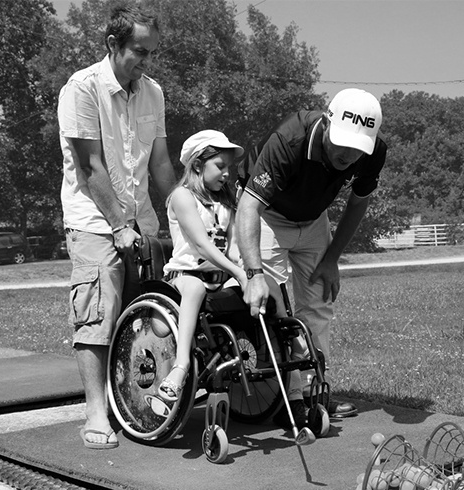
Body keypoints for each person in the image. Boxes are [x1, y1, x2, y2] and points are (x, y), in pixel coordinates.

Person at [57, 5, 177, 449]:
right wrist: (119, 225)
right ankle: (95, 414)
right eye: (138, 52)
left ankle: (133, 402)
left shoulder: (153, 93)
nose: (146, 62)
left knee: (144, 316)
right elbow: (91, 169)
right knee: (100, 314)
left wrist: (188, 213)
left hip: (141, 221)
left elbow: (161, 163)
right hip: (94, 220)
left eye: (151, 53)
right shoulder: (81, 89)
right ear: (113, 44)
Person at [235, 88, 387, 427]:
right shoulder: (289, 140)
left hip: (314, 218)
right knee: (273, 308)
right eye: (342, 143)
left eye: (357, 148)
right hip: (265, 213)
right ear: (327, 122)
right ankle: (286, 400)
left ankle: (314, 392)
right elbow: (249, 205)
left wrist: (332, 258)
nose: (348, 155)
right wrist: (254, 272)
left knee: (318, 303)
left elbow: (358, 203)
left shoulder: (373, 151)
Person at [157, 130, 249, 400]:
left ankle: (282, 359)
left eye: (228, 168)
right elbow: (201, 246)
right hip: (183, 277)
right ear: (197, 164)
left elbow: (232, 248)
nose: (226, 174)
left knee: (265, 284)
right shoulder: (182, 197)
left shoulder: (225, 202)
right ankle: (181, 366)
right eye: (220, 166)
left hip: (218, 278)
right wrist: (237, 272)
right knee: (196, 287)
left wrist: (248, 272)